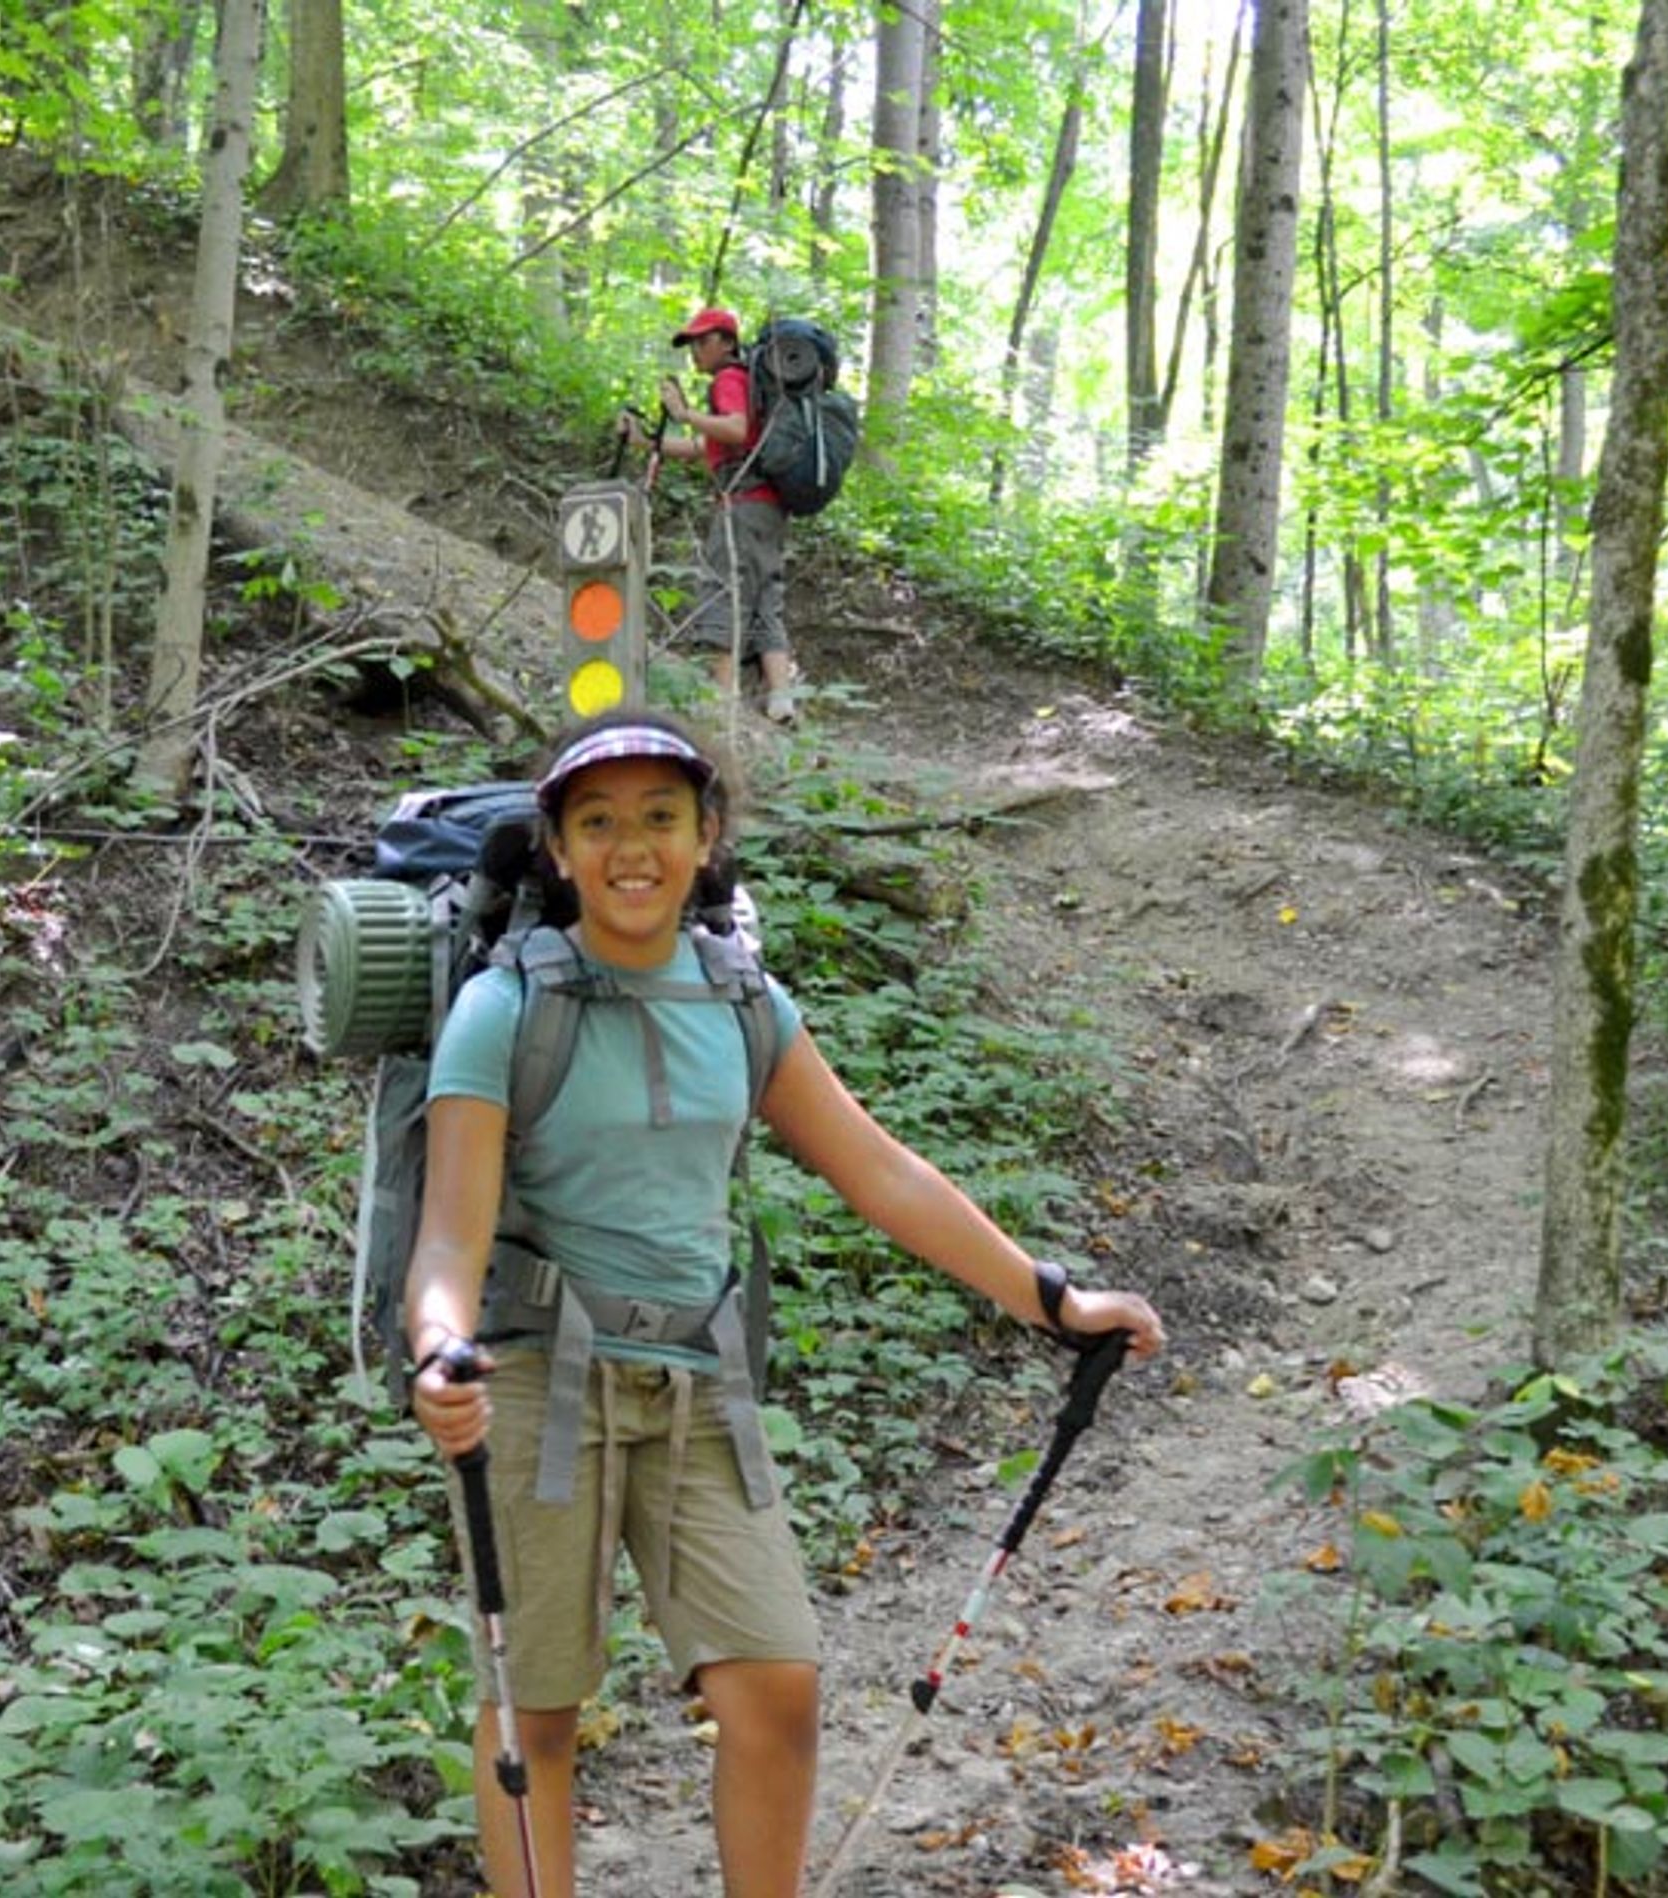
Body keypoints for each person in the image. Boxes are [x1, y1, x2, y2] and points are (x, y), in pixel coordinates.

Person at [400, 708, 1167, 1896]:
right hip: (539, 1378)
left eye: (662, 816)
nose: (633, 847)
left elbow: (880, 1169)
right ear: (555, 848)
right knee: (535, 1711)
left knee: (776, 1684)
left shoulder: (744, 1001)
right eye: (598, 822)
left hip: (702, 1382)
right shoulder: (504, 1008)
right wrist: (440, 1343)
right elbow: (448, 1228)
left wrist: (1049, 1296)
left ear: (709, 835)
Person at [622, 308, 802, 726]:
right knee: (763, 597)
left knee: (723, 588)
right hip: (768, 505)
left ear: (726, 342)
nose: (696, 352)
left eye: (702, 342)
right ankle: (781, 700)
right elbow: (708, 447)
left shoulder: (728, 380)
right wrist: (647, 442)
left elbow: (735, 429)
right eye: (692, 344)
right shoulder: (747, 382)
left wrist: (684, 414)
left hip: (741, 504)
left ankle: (722, 702)